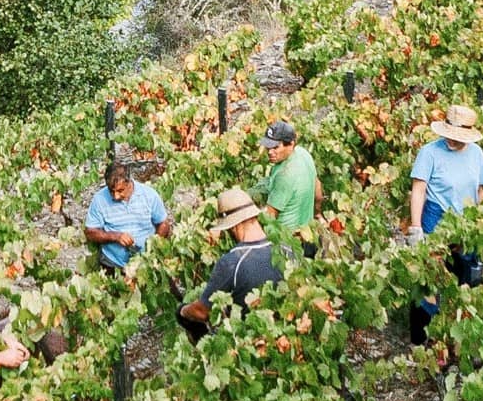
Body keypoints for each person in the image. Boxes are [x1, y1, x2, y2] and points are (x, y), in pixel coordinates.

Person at [407, 105, 483, 344]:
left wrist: (482, 222)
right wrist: (416, 228)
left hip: (466, 222)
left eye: (458, 137)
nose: (452, 141)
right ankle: (420, 340)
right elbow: (418, 191)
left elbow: (479, 191)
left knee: (464, 277)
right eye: (450, 136)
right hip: (436, 217)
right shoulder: (429, 153)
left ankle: (455, 335)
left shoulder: (476, 154)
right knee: (428, 279)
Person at [178, 188, 286, 336]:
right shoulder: (286, 247)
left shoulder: (232, 262)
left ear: (233, 226)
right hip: (282, 327)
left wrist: (183, 310)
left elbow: (202, 312)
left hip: (249, 336)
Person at [84, 160, 173, 273]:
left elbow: (163, 224)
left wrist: (152, 250)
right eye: (112, 191)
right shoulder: (99, 199)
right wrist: (115, 236)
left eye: (120, 191)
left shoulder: (149, 195)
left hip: (146, 263)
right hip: (113, 264)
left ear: (129, 182)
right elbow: (90, 232)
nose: (116, 196)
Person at [256, 120, 321, 239]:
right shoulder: (304, 154)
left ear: (291, 144)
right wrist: (317, 214)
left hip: (286, 240)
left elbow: (269, 217)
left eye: (275, 147)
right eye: (268, 146)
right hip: (307, 233)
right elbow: (317, 193)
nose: (270, 152)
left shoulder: (284, 175)